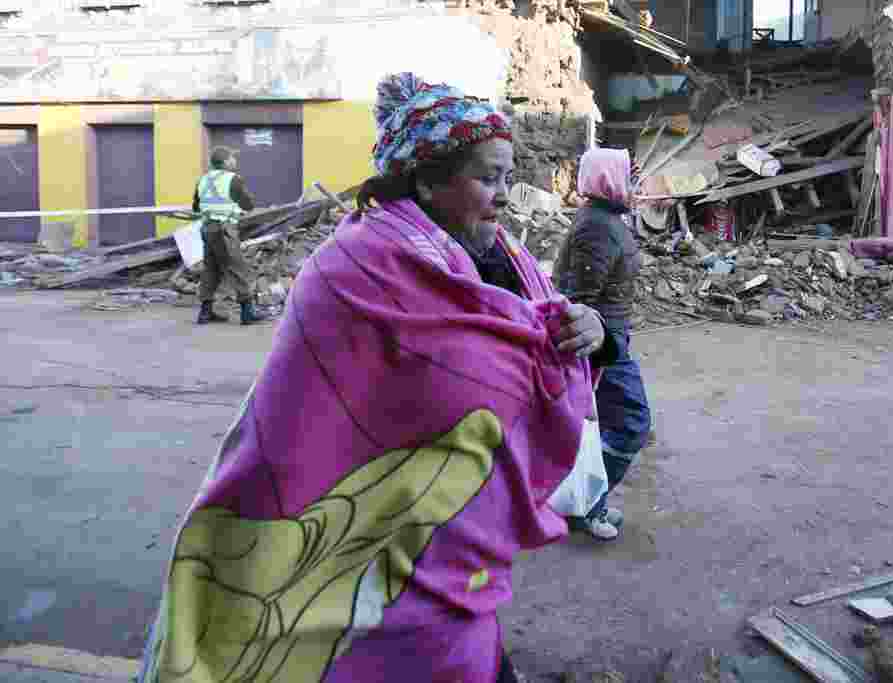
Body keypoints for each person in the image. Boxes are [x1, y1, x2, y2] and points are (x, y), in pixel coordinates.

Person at [137, 73, 619, 683]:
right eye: (487, 177)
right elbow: (319, 415)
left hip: (459, 541)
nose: (504, 195)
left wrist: (593, 331)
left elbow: (537, 343)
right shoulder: (351, 268)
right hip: (359, 529)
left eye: (506, 175)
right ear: (426, 180)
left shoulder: (503, 258)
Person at [553, 146, 652, 542]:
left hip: (610, 336)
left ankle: (586, 502)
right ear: (609, 180)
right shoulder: (598, 225)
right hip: (602, 343)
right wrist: (590, 360)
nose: (633, 186)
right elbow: (580, 298)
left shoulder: (607, 219)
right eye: (627, 178)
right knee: (631, 421)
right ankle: (588, 506)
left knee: (610, 426)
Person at [192, 146, 267, 325]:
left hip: (207, 228)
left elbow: (196, 206)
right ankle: (247, 312)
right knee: (237, 268)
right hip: (224, 229)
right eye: (232, 158)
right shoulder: (233, 180)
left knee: (210, 269)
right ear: (225, 162)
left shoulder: (203, 179)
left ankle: (205, 312)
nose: (235, 160)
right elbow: (248, 204)